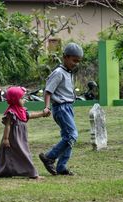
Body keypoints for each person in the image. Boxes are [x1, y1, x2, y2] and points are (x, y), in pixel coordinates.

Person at [39, 42, 84, 176]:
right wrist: (46, 107)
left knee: (67, 137)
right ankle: (49, 157)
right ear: (65, 57)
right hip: (61, 108)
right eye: (74, 60)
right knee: (72, 135)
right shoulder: (58, 72)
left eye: (78, 61)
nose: (76, 63)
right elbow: (48, 91)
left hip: (68, 107)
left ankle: (61, 167)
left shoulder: (68, 72)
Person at [0, 86, 46, 180]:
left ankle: (6, 171)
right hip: (13, 138)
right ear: (14, 100)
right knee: (18, 153)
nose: (24, 100)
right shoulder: (11, 112)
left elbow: (31, 115)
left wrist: (42, 114)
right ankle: (33, 173)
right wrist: (5, 139)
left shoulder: (22, 111)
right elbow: (7, 125)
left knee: (15, 153)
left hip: (21, 138)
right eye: (21, 98)